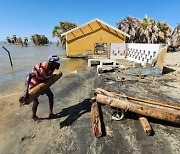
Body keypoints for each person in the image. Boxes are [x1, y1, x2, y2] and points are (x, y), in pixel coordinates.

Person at [20, 55, 61, 121]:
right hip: (34, 84)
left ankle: (51, 114)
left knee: (50, 95)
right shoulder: (43, 68)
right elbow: (29, 76)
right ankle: (34, 116)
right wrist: (26, 92)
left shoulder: (52, 68)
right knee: (36, 102)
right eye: (58, 63)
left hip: (43, 82)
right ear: (52, 63)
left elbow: (48, 75)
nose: (59, 64)